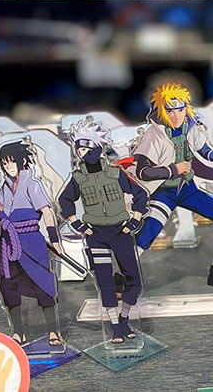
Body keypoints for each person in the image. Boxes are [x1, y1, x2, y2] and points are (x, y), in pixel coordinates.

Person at [131, 82, 213, 287]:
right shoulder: (154, 134)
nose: (176, 115)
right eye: (170, 110)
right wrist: (173, 170)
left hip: (187, 190)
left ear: (186, 109)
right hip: (163, 192)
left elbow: (206, 152)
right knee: (146, 235)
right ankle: (122, 280)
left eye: (180, 109)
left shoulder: (190, 127)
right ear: (161, 110)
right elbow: (143, 172)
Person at [58, 118, 148, 343]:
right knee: (105, 283)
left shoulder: (116, 173)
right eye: (79, 148)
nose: (82, 153)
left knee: (134, 281)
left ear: (97, 148)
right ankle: (116, 327)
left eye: (86, 147)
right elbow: (65, 200)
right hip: (96, 235)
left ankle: (125, 318)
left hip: (121, 232)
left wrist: (136, 219)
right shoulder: (78, 177)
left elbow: (141, 195)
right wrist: (75, 222)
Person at [0, 142, 63, 347]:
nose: (9, 166)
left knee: (43, 284)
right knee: (8, 285)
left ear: (21, 160)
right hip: (9, 242)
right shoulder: (3, 187)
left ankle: (53, 332)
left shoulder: (33, 184)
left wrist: (55, 240)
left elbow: (47, 212)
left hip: (31, 240)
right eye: (5, 163)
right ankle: (18, 332)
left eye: (12, 161)